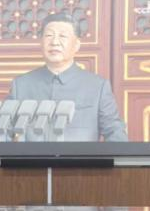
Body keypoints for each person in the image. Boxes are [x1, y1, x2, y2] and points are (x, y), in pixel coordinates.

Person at [7, 12, 127, 142]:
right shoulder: (21, 85)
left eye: (63, 36)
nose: (54, 42)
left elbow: (115, 132)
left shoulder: (97, 87)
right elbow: (4, 132)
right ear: (41, 42)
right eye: (49, 36)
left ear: (76, 45)